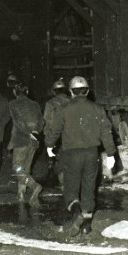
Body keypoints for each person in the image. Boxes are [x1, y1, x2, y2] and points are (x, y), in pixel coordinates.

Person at [45, 76, 116, 236]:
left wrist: (49, 146)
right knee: (89, 188)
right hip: (92, 154)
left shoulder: (63, 109)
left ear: (71, 92)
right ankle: (86, 225)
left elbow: (55, 131)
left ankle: (76, 212)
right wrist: (111, 153)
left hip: (71, 154)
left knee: (71, 188)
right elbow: (106, 132)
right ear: (87, 91)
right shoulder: (97, 109)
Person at [7, 84, 44, 206]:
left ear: (14, 92)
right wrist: (35, 132)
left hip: (21, 140)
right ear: (27, 91)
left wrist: (28, 133)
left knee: (17, 168)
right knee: (26, 169)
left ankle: (34, 185)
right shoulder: (35, 104)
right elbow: (41, 121)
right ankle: (21, 193)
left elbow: (18, 122)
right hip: (34, 141)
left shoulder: (13, 104)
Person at [43, 78, 70, 186]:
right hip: (70, 135)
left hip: (55, 135)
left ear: (54, 91)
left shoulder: (50, 104)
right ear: (64, 90)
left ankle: (62, 182)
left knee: (57, 158)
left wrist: (48, 137)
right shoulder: (71, 101)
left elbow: (47, 121)